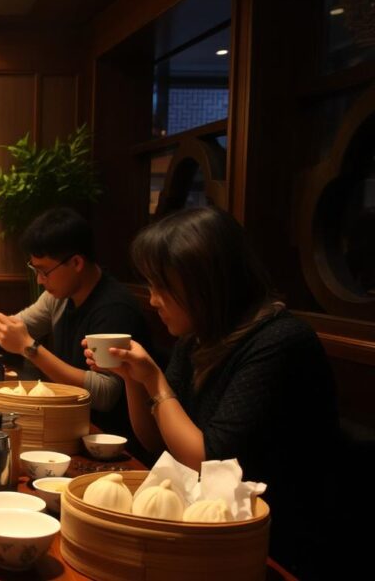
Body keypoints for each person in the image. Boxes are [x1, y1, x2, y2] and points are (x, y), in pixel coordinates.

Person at [83, 207, 337, 578]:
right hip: (205, 526)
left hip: (269, 546)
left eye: (162, 287)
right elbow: (156, 442)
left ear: (206, 283)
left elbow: (208, 460)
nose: (153, 300)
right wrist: (132, 379)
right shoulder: (198, 338)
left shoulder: (279, 342)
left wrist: (155, 381)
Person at [0, 207, 152, 447]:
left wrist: (30, 348)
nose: (39, 280)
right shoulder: (59, 297)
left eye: (44, 271)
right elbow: (9, 330)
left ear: (76, 262)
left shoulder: (114, 309)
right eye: (35, 270)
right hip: (69, 427)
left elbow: (106, 394)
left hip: (106, 440)